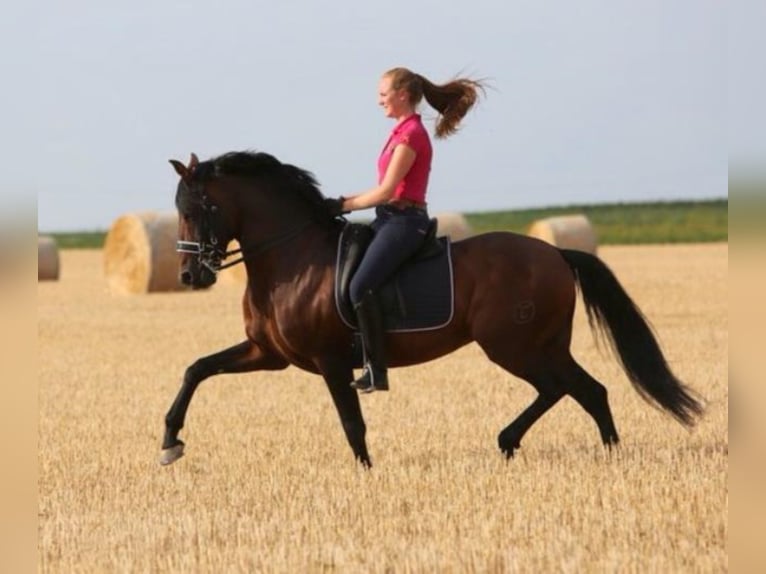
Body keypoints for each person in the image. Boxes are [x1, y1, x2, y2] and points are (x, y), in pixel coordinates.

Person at [324, 67, 486, 393]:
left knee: (360, 287)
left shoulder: (411, 134)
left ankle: (376, 369)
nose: (378, 100)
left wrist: (342, 204)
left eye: (383, 94)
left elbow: (386, 191)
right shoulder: (400, 130)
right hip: (387, 219)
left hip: (404, 222)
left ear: (402, 95)